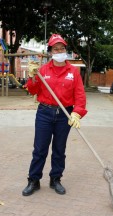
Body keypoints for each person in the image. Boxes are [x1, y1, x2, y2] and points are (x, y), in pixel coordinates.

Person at [22, 34, 87, 196]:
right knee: (40, 149)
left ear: (66, 50)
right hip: (45, 112)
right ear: (50, 52)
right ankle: (34, 180)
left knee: (59, 149)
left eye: (62, 48)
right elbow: (33, 90)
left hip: (65, 113)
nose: (59, 51)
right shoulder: (42, 70)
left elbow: (80, 95)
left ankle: (55, 179)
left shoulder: (73, 71)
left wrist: (77, 113)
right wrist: (32, 77)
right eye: (55, 49)